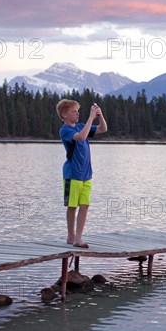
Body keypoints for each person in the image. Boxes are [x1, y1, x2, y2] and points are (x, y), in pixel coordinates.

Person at [56, 99, 107, 248]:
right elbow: (81, 137)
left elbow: (103, 129)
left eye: (78, 111)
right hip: (72, 174)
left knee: (84, 205)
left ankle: (79, 238)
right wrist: (90, 118)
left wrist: (100, 115)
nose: (77, 114)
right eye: (74, 111)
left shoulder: (80, 126)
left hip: (86, 174)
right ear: (64, 115)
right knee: (72, 206)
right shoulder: (65, 130)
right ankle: (71, 235)